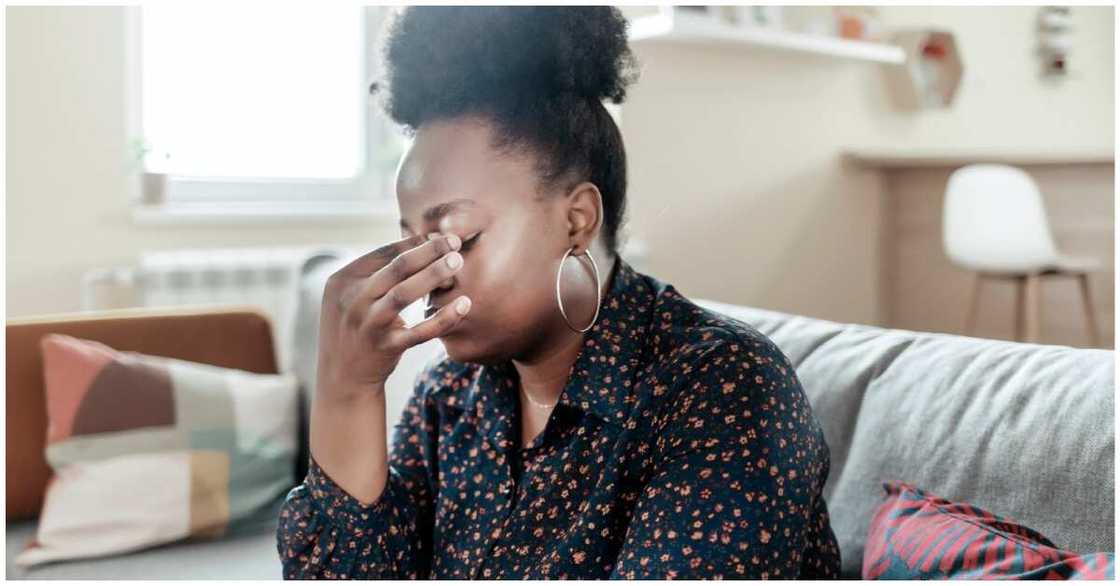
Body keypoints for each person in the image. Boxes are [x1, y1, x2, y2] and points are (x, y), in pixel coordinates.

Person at [276, 6, 840, 579]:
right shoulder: (448, 398)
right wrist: (347, 392)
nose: (428, 274)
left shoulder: (722, 387)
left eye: (457, 238)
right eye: (410, 245)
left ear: (577, 220)